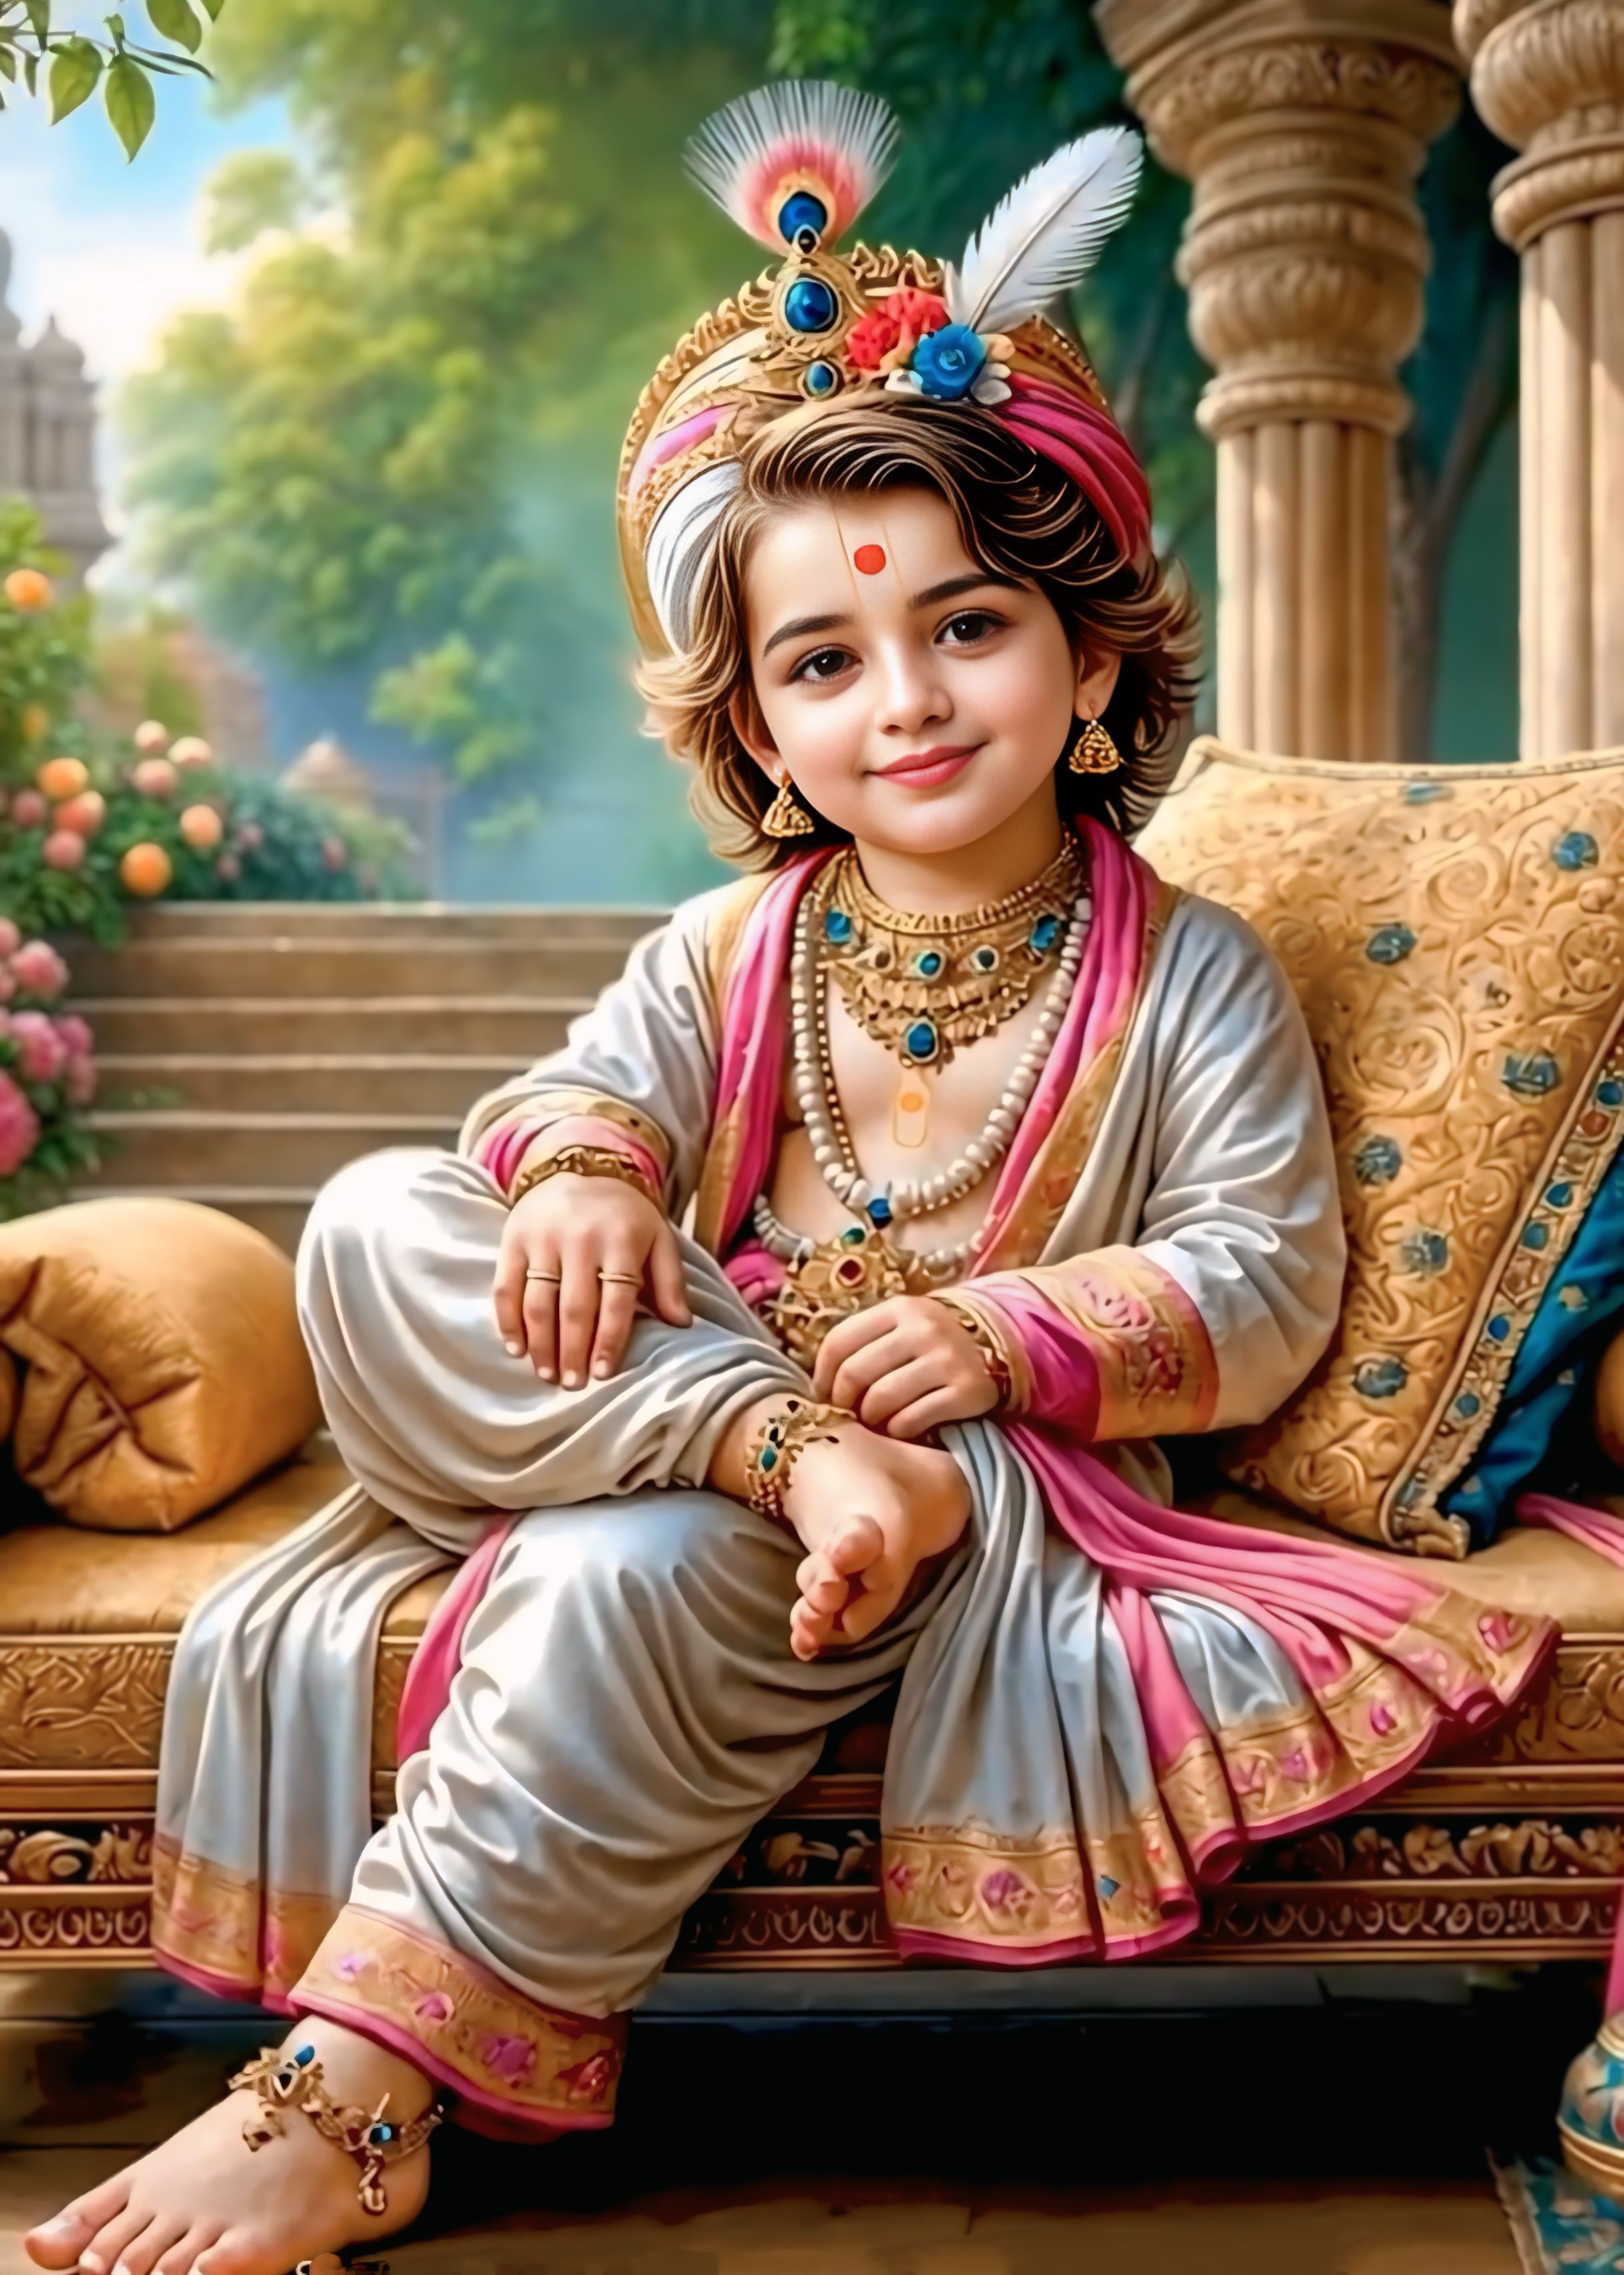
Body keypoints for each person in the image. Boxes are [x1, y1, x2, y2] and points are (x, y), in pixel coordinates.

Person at [27, 80, 1556, 2275]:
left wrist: (998, 1336)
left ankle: (349, 2104)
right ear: (753, 727)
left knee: (594, 1580)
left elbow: (1261, 1273)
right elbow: (586, 1097)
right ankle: (777, 1456)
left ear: (1096, 641)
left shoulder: (1189, 973)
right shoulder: (733, 947)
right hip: (726, 1418)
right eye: (827, 661)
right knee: (382, 1216)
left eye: (969, 625)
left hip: (969, 1490)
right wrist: (583, 1176)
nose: (907, 702)